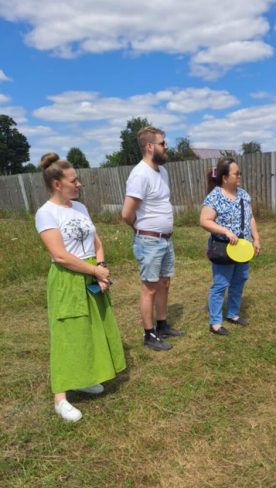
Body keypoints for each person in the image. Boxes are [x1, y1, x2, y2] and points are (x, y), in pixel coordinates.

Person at [35, 153, 126, 422]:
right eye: (74, 180)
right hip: (68, 277)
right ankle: (60, 399)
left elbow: (97, 242)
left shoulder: (80, 208)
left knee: (92, 327)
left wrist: (100, 267)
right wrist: (95, 270)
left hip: (90, 274)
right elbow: (60, 255)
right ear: (57, 184)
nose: (79, 184)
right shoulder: (45, 213)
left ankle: (84, 377)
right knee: (67, 332)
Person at [122, 126, 184, 351]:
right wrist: (141, 230)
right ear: (150, 147)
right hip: (149, 241)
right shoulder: (139, 174)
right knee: (149, 287)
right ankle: (149, 335)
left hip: (166, 239)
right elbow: (126, 213)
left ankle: (162, 324)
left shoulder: (162, 172)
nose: (166, 147)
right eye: (162, 144)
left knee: (164, 283)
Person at [199, 158, 260, 336]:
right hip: (223, 247)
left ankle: (233, 314)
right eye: (236, 173)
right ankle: (215, 322)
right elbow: (204, 221)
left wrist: (256, 238)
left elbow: (250, 218)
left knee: (239, 280)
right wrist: (225, 231)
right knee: (220, 284)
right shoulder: (215, 197)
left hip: (243, 247)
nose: (240, 176)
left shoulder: (243, 194)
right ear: (225, 177)